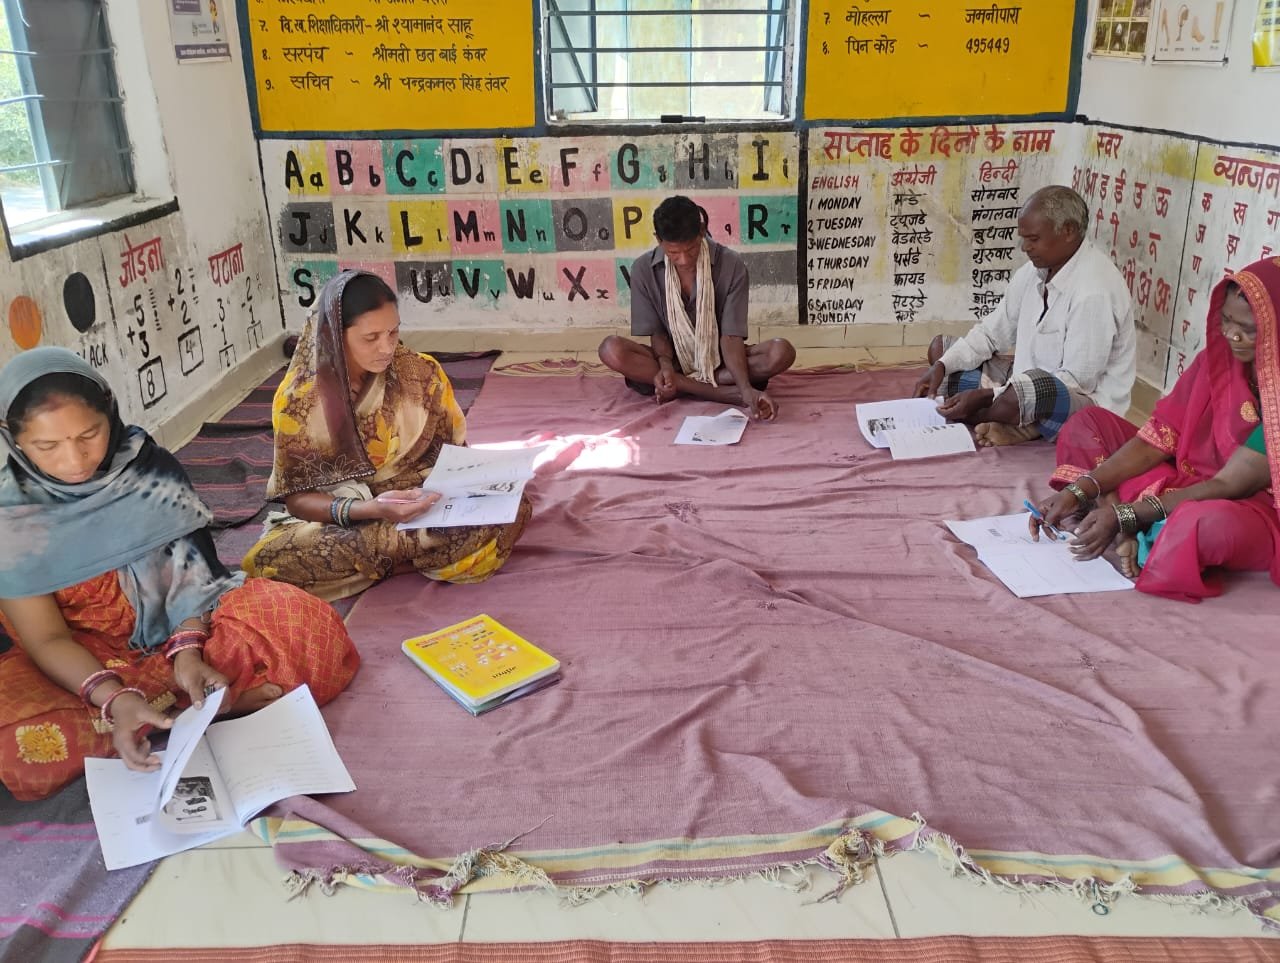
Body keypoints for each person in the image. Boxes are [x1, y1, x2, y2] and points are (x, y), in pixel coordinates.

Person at [0, 348, 360, 801]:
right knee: (23, 742)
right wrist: (114, 698)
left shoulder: (147, 471)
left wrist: (188, 653)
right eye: (48, 446)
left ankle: (193, 701)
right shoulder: (11, 519)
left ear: (110, 414)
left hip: (185, 627)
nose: (75, 460)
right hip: (83, 655)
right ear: (12, 440)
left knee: (306, 627)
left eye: (90, 434)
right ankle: (205, 706)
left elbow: (192, 582)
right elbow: (47, 641)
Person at [242, 270, 531, 601]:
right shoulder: (301, 400)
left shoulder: (422, 374)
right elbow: (298, 500)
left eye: (393, 333)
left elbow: (456, 457)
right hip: (353, 516)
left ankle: (380, 562)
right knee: (267, 562)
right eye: (371, 338)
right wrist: (374, 510)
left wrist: (467, 487)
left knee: (514, 508)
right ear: (335, 335)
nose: (386, 347)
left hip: (424, 503)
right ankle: (409, 559)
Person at [1030, 257, 1279, 602]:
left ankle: (1128, 521)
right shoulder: (1216, 361)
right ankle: (1119, 526)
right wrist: (1081, 490)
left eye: (1248, 329)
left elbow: (1227, 484)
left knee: (1198, 525)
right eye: (1225, 320)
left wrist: (1127, 514)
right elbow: (1157, 440)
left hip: (1246, 506)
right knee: (1086, 424)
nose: (1230, 335)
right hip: (1183, 478)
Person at [914, 185, 1136, 447]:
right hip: (1022, 384)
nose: (1024, 247)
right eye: (1024, 238)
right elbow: (990, 334)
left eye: (1033, 239)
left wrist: (987, 396)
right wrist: (942, 365)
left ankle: (1012, 421)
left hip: (1082, 407)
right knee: (943, 352)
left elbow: (1076, 381)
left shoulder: (1094, 291)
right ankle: (1009, 418)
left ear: (1068, 231)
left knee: (1031, 390)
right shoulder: (1033, 272)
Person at [598, 195, 796, 421]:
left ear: (702, 231)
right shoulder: (644, 269)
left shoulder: (731, 265)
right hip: (672, 360)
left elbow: (731, 337)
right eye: (673, 253)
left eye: (691, 250)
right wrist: (665, 366)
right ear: (658, 240)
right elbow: (658, 333)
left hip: (718, 360)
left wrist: (744, 387)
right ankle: (717, 391)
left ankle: (683, 386)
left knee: (781, 351)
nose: (683, 260)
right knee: (610, 350)